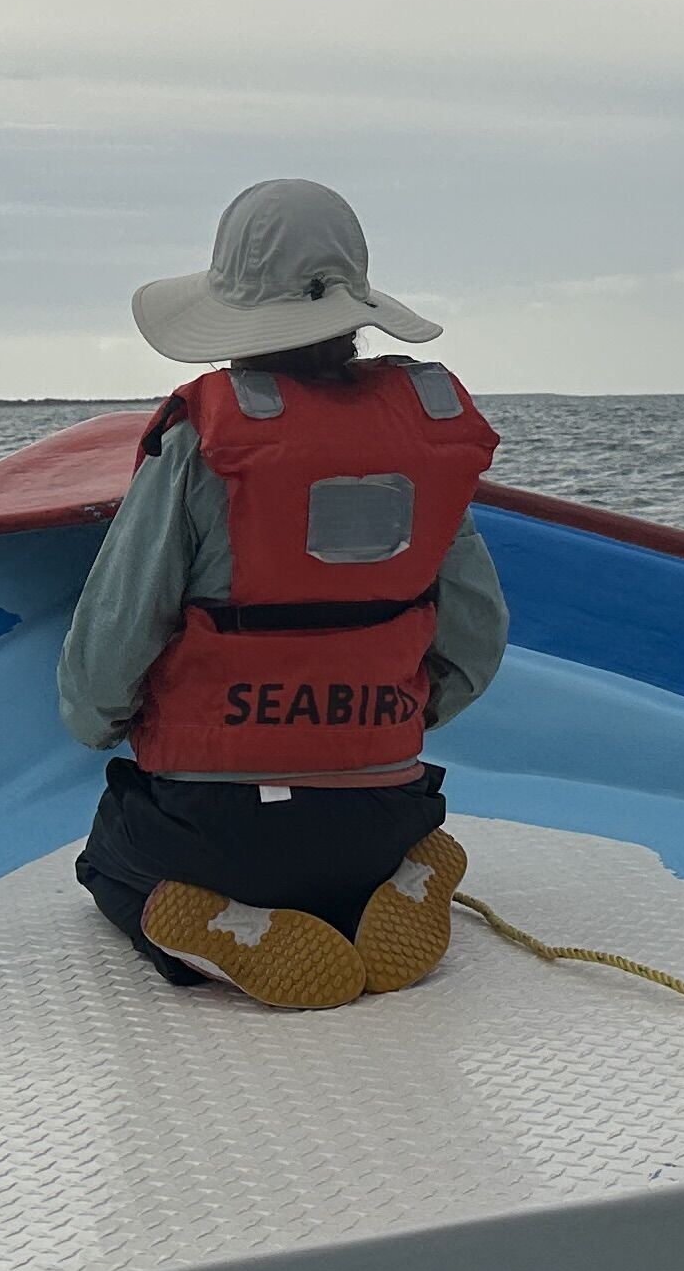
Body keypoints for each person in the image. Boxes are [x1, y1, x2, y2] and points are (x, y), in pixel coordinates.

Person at [61, 178, 509, 1010]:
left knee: (108, 855)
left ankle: (216, 928)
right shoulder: (422, 440)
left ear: (231, 319)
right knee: (375, 829)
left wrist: (98, 724)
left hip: (217, 826)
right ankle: (400, 876)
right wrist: (390, 718)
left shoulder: (198, 443)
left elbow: (114, 637)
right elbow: (478, 638)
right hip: (382, 812)